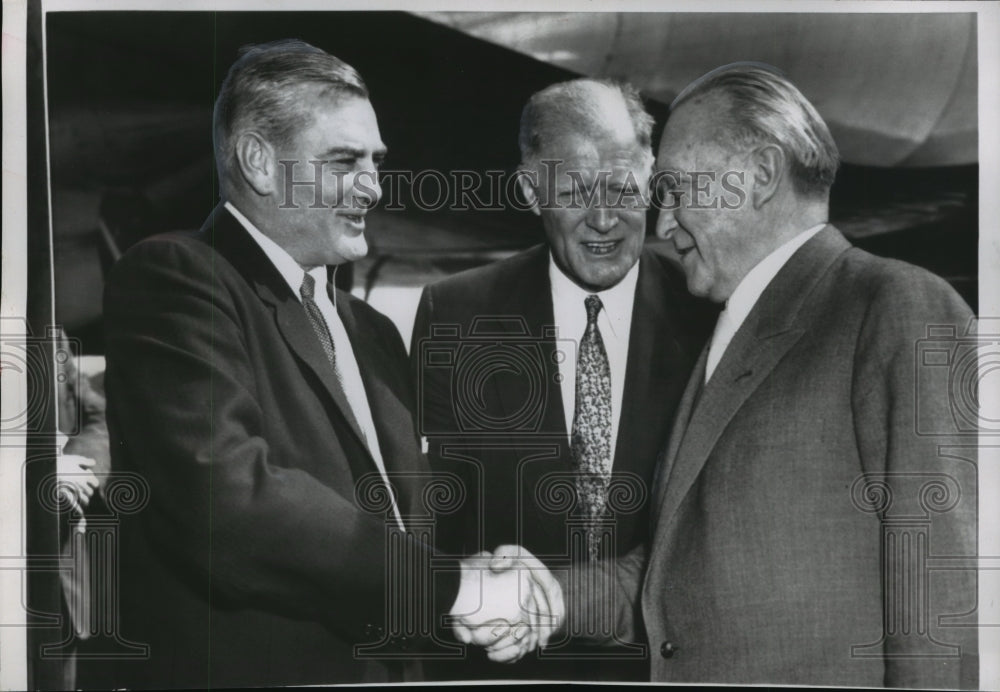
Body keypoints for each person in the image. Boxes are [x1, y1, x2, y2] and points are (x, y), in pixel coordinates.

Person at [91, 39, 560, 689]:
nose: (372, 185)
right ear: (258, 162)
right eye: (344, 161)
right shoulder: (176, 279)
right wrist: (457, 589)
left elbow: (398, 524)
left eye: (376, 161)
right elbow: (228, 501)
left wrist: (490, 567)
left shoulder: (370, 332)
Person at [511, 62, 977, 687]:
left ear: (758, 175)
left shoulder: (895, 305)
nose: (663, 224)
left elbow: (942, 602)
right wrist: (541, 595)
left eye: (676, 191)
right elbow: (677, 576)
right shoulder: (729, 335)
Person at [411, 78, 714, 680]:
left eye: (624, 187)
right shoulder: (456, 313)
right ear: (530, 190)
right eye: (575, 190)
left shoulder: (706, 311)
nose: (604, 219)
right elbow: (434, 513)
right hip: (508, 665)